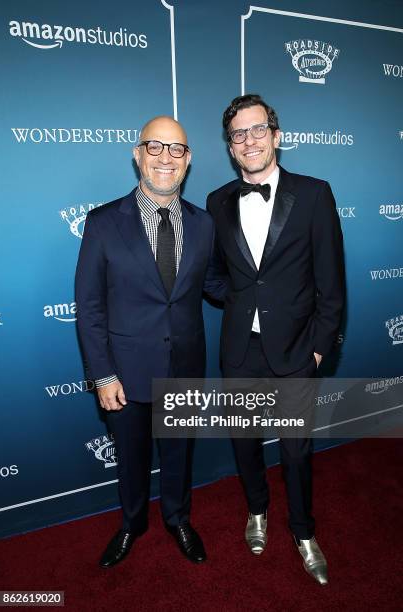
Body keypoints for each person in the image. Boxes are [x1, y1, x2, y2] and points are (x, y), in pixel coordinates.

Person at [75, 115, 225, 568]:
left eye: (176, 149)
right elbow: (90, 306)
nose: (165, 157)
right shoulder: (103, 223)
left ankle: (178, 518)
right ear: (137, 154)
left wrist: (268, 290)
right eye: (154, 147)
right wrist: (102, 373)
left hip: (184, 365)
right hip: (124, 372)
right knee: (132, 460)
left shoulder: (204, 224)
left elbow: (216, 285)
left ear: (188, 160)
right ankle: (132, 523)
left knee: (179, 452)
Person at [207, 94, 344, 585]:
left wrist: (319, 345)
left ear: (276, 136)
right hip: (240, 349)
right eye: (238, 134)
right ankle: (257, 511)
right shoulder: (217, 201)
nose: (249, 140)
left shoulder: (314, 194)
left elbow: (332, 281)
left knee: (296, 451)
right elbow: (214, 274)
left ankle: (304, 531)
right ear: (230, 146)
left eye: (257, 129)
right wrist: (242, 301)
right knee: (245, 442)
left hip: (296, 351)